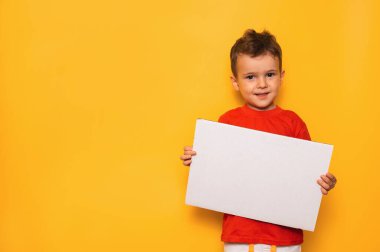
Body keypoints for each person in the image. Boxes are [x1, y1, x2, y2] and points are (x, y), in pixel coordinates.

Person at [179, 29, 337, 252]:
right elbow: (217, 173)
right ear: (235, 82)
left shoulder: (293, 123)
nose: (262, 84)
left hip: (286, 236)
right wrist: (197, 161)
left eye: (270, 75)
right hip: (239, 234)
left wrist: (324, 181)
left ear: (281, 76)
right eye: (251, 77)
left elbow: (308, 175)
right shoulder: (227, 122)